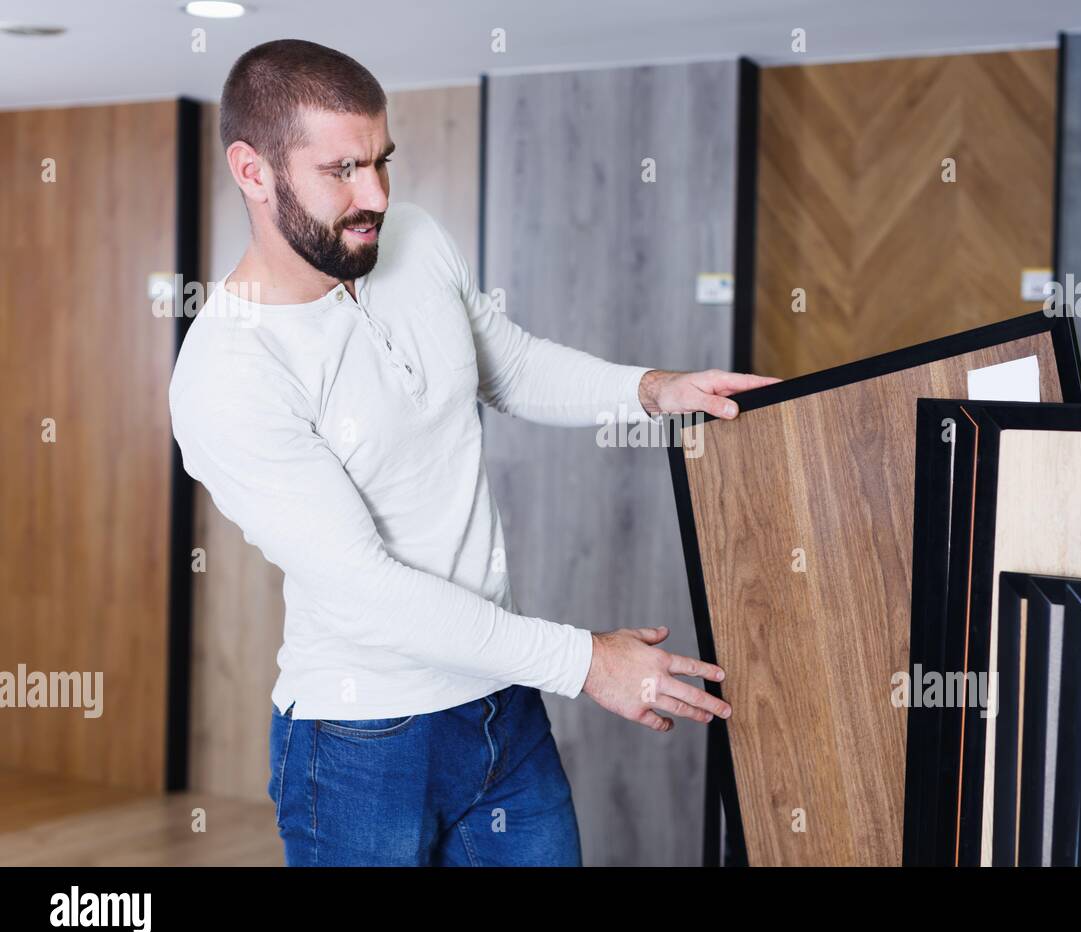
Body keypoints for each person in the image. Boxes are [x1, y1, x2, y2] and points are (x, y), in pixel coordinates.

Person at [168, 38, 779, 866]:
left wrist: (652, 390)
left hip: (501, 705)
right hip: (360, 743)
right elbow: (371, 590)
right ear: (253, 170)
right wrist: (587, 662)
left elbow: (511, 367)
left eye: (383, 161)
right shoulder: (226, 373)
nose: (375, 195)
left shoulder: (412, 239)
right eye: (342, 170)